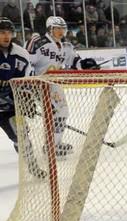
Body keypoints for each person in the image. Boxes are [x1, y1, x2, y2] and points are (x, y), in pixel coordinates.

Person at [25, 16, 99, 157]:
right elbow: (26, 61)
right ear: (50, 29)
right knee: (57, 113)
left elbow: (76, 63)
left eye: (63, 29)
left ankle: (54, 143)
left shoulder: (66, 46)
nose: (61, 31)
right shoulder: (38, 42)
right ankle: (51, 144)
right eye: (57, 28)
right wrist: (29, 84)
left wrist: (87, 64)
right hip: (38, 83)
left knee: (62, 112)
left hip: (54, 85)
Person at [0, 17, 46, 179]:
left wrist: (27, 98)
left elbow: (28, 80)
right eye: (2, 33)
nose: (6, 36)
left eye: (8, 32)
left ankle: (32, 166)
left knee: (22, 136)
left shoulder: (21, 54)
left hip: (9, 108)